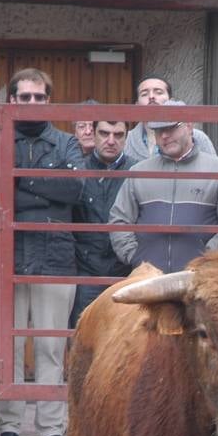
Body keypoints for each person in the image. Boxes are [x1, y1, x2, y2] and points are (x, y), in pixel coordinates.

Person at [0, 68, 84, 436]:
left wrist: (19, 181)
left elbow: (73, 189)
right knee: (7, 347)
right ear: (12, 100)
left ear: (49, 100)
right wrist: (45, 183)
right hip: (7, 257)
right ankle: (8, 428)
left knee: (50, 348)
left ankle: (51, 431)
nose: (32, 103)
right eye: (25, 97)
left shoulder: (66, 142)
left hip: (55, 257)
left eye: (39, 97)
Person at [108, 106, 218, 273]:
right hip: (149, 280)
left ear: (189, 126)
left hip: (201, 280)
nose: (164, 136)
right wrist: (135, 257)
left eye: (171, 128)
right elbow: (119, 220)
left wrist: (208, 259)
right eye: (158, 131)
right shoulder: (139, 172)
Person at [71, 119, 135, 327]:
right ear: (93, 133)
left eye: (118, 135)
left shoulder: (138, 171)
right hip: (86, 271)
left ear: (126, 136)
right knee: (83, 333)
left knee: (123, 336)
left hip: (125, 270)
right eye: (104, 133)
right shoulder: (78, 169)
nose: (110, 140)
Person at [123, 77, 216, 163]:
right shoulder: (126, 140)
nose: (151, 97)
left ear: (171, 101)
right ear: (137, 105)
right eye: (144, 94)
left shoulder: (197, 137)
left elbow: (213, 170)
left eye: (158, 92)